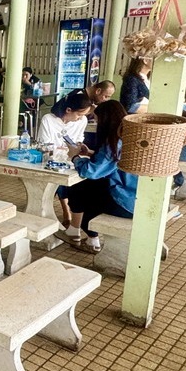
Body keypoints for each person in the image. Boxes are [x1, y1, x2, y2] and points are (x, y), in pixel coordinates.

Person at [54, 100, 137, 254]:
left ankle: (89, 239)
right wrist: (91, 153)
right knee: (83, 188)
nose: (97, 123)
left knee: (82, 193)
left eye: (98, 120)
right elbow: (112, 163)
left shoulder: (113, 142)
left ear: (106, 121)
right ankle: (78, 232)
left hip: (125, 203)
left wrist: (75, 157)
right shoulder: (128, 137)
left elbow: (90, 171)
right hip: (135, 197)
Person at [39, 90, 95, 225]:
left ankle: (72, 211)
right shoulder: (49, 120)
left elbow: (79, 138)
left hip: (72, 159)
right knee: (58, 174)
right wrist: (64, 151)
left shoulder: (82, 121)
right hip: (52, 160)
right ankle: (65, 209)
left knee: (77, 180)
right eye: (79, 114)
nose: (81, 118)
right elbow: (44, 145)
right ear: (68, 110)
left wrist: (78, 147)